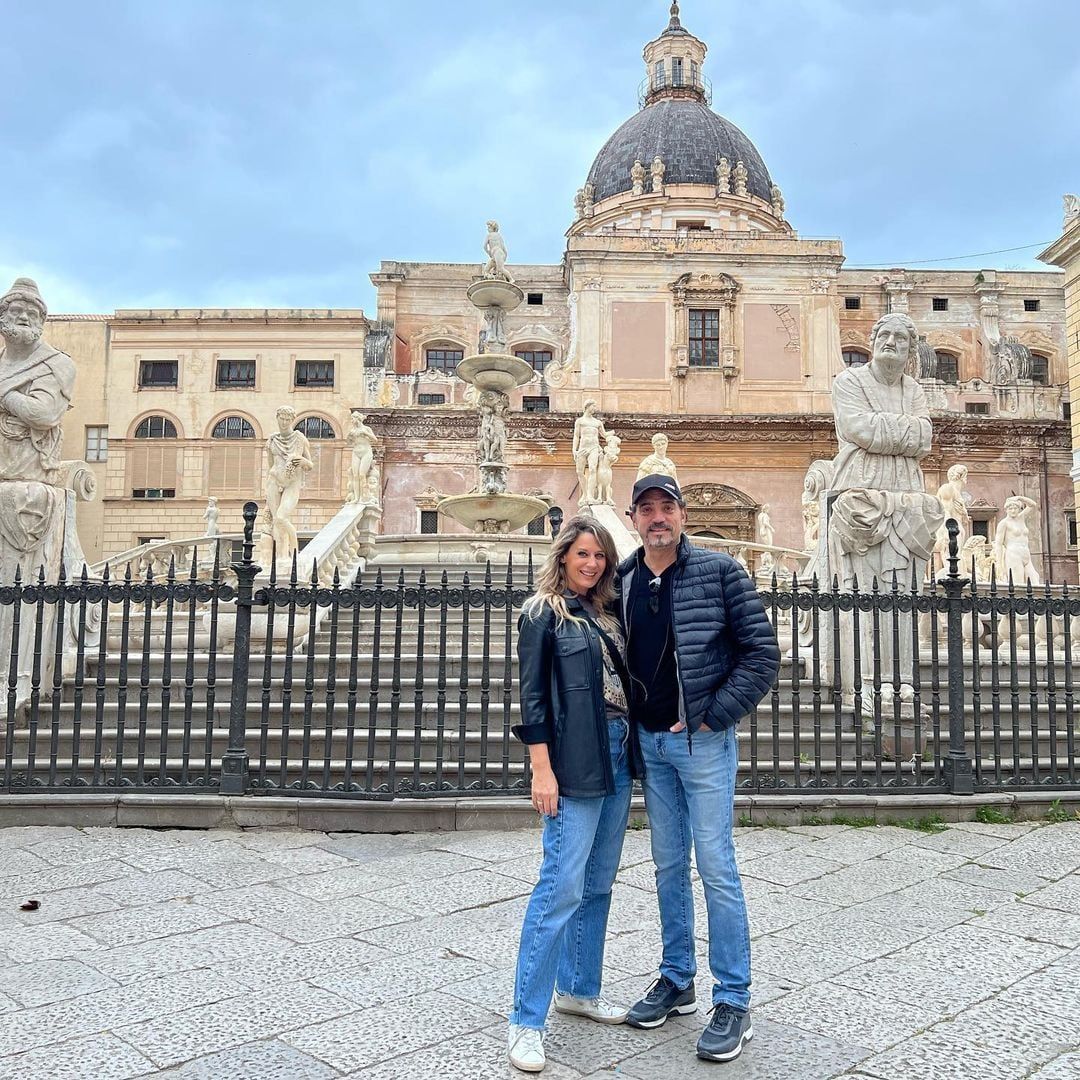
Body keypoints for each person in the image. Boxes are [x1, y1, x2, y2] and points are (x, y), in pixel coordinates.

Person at [619, 474, 779, 1064]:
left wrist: (714, 715)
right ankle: (677, 978)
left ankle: (733, 999)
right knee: (666, 865)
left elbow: (761, 654)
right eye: (646, 509)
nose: (657, 518)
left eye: (667, 507)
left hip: (703, 745)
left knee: (715, 865)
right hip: (653, 746)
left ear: (682, 515)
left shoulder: (721, 572)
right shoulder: (626, 579)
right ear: (633, 517)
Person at [509, 516, 639, 1073]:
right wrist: (542, 769)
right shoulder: (542, 613)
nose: (592, 564)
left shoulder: (608, 615)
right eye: (583, 554)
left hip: (617, 751)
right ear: (563, 556)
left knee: (598, 882)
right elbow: (533, 699)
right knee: (560, 885)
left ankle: (580, 989)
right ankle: (525, 1020)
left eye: (600, 556)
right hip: (572, 756)